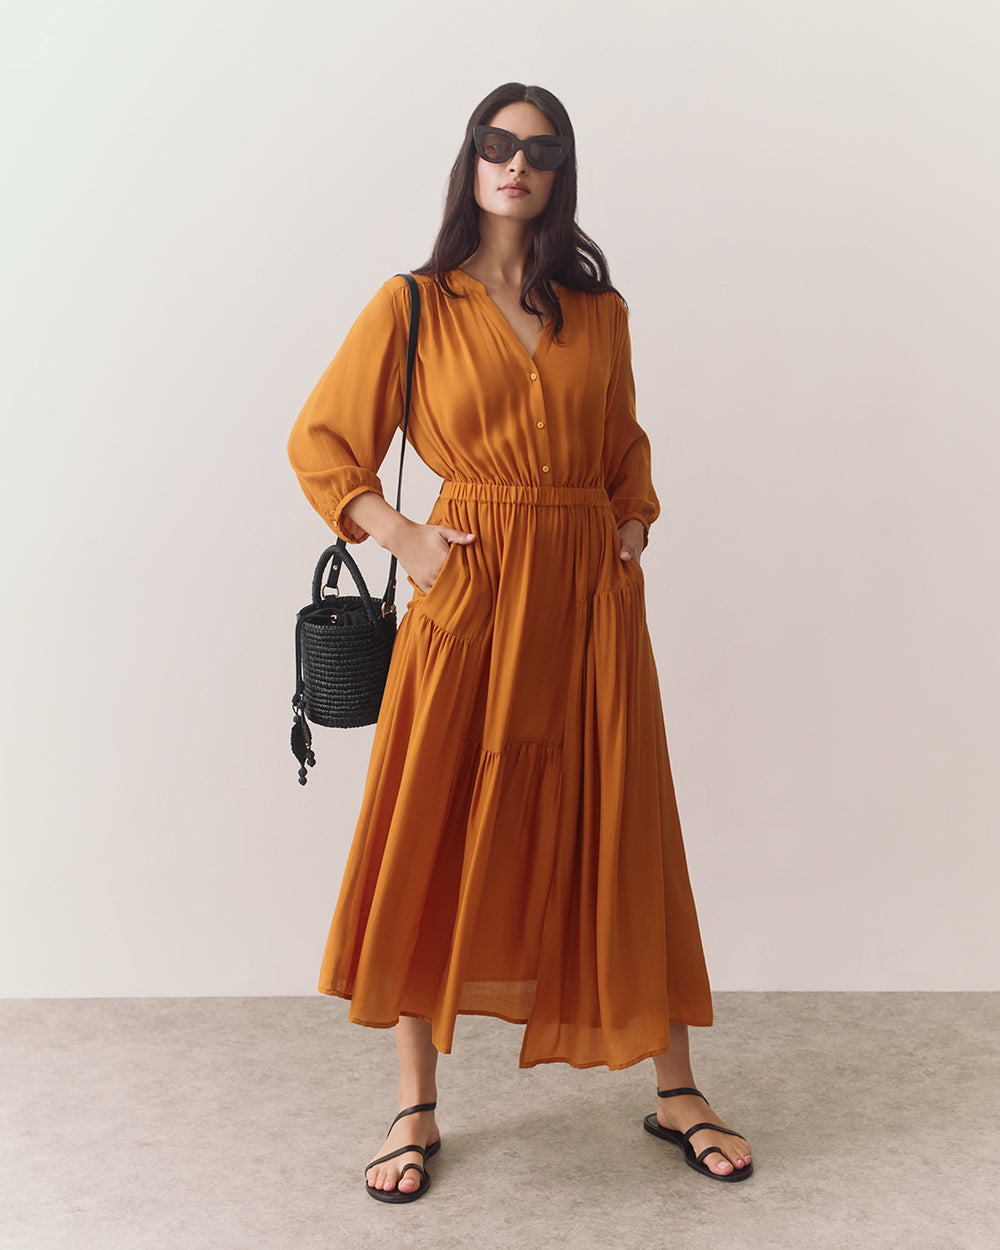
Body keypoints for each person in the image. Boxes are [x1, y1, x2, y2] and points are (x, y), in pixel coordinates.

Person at [287, 82, 753, 1201]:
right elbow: (321, 442)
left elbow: (622, 446)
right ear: (472, 159)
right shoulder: (413, 304)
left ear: (560, 171)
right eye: (497, 143)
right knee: (431, 825)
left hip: (590, 602)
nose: (516, 162)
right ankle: (414, 1102)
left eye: (539, 149)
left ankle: (674, 1086)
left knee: (619, 821)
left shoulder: (598, 310)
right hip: (475, 587)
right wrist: (406, 537)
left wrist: (632, 520)